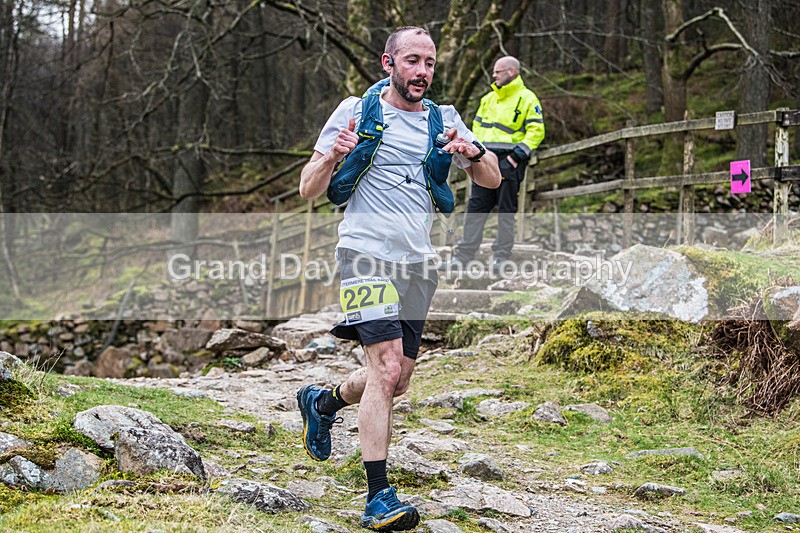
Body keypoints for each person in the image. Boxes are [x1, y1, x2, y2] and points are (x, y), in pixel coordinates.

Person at [295, 27, 500, 532]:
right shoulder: (354, 110)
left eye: (430, 63)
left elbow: (493, 178)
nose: (422, 72)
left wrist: (470, 152)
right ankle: (377, 496)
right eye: (413, 61)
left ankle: (323, 402)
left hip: (417, 262)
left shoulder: (444, 119)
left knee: (399, 378)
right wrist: (333, 154)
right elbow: (307, 188)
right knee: (385, 368)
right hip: (364, 253)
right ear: (388, 62)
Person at [449, 56, 544, 269]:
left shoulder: (527, 98)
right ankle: (462, 257)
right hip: (485, 160)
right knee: (475, 207)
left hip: (510, 162)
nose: (494, 75)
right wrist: (476, 158)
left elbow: (537, 131)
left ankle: (501, 257)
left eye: (498, 71)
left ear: (511, 72)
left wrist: (516, 156)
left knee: (505, 210)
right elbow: (475, 130)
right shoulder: (487, 99)